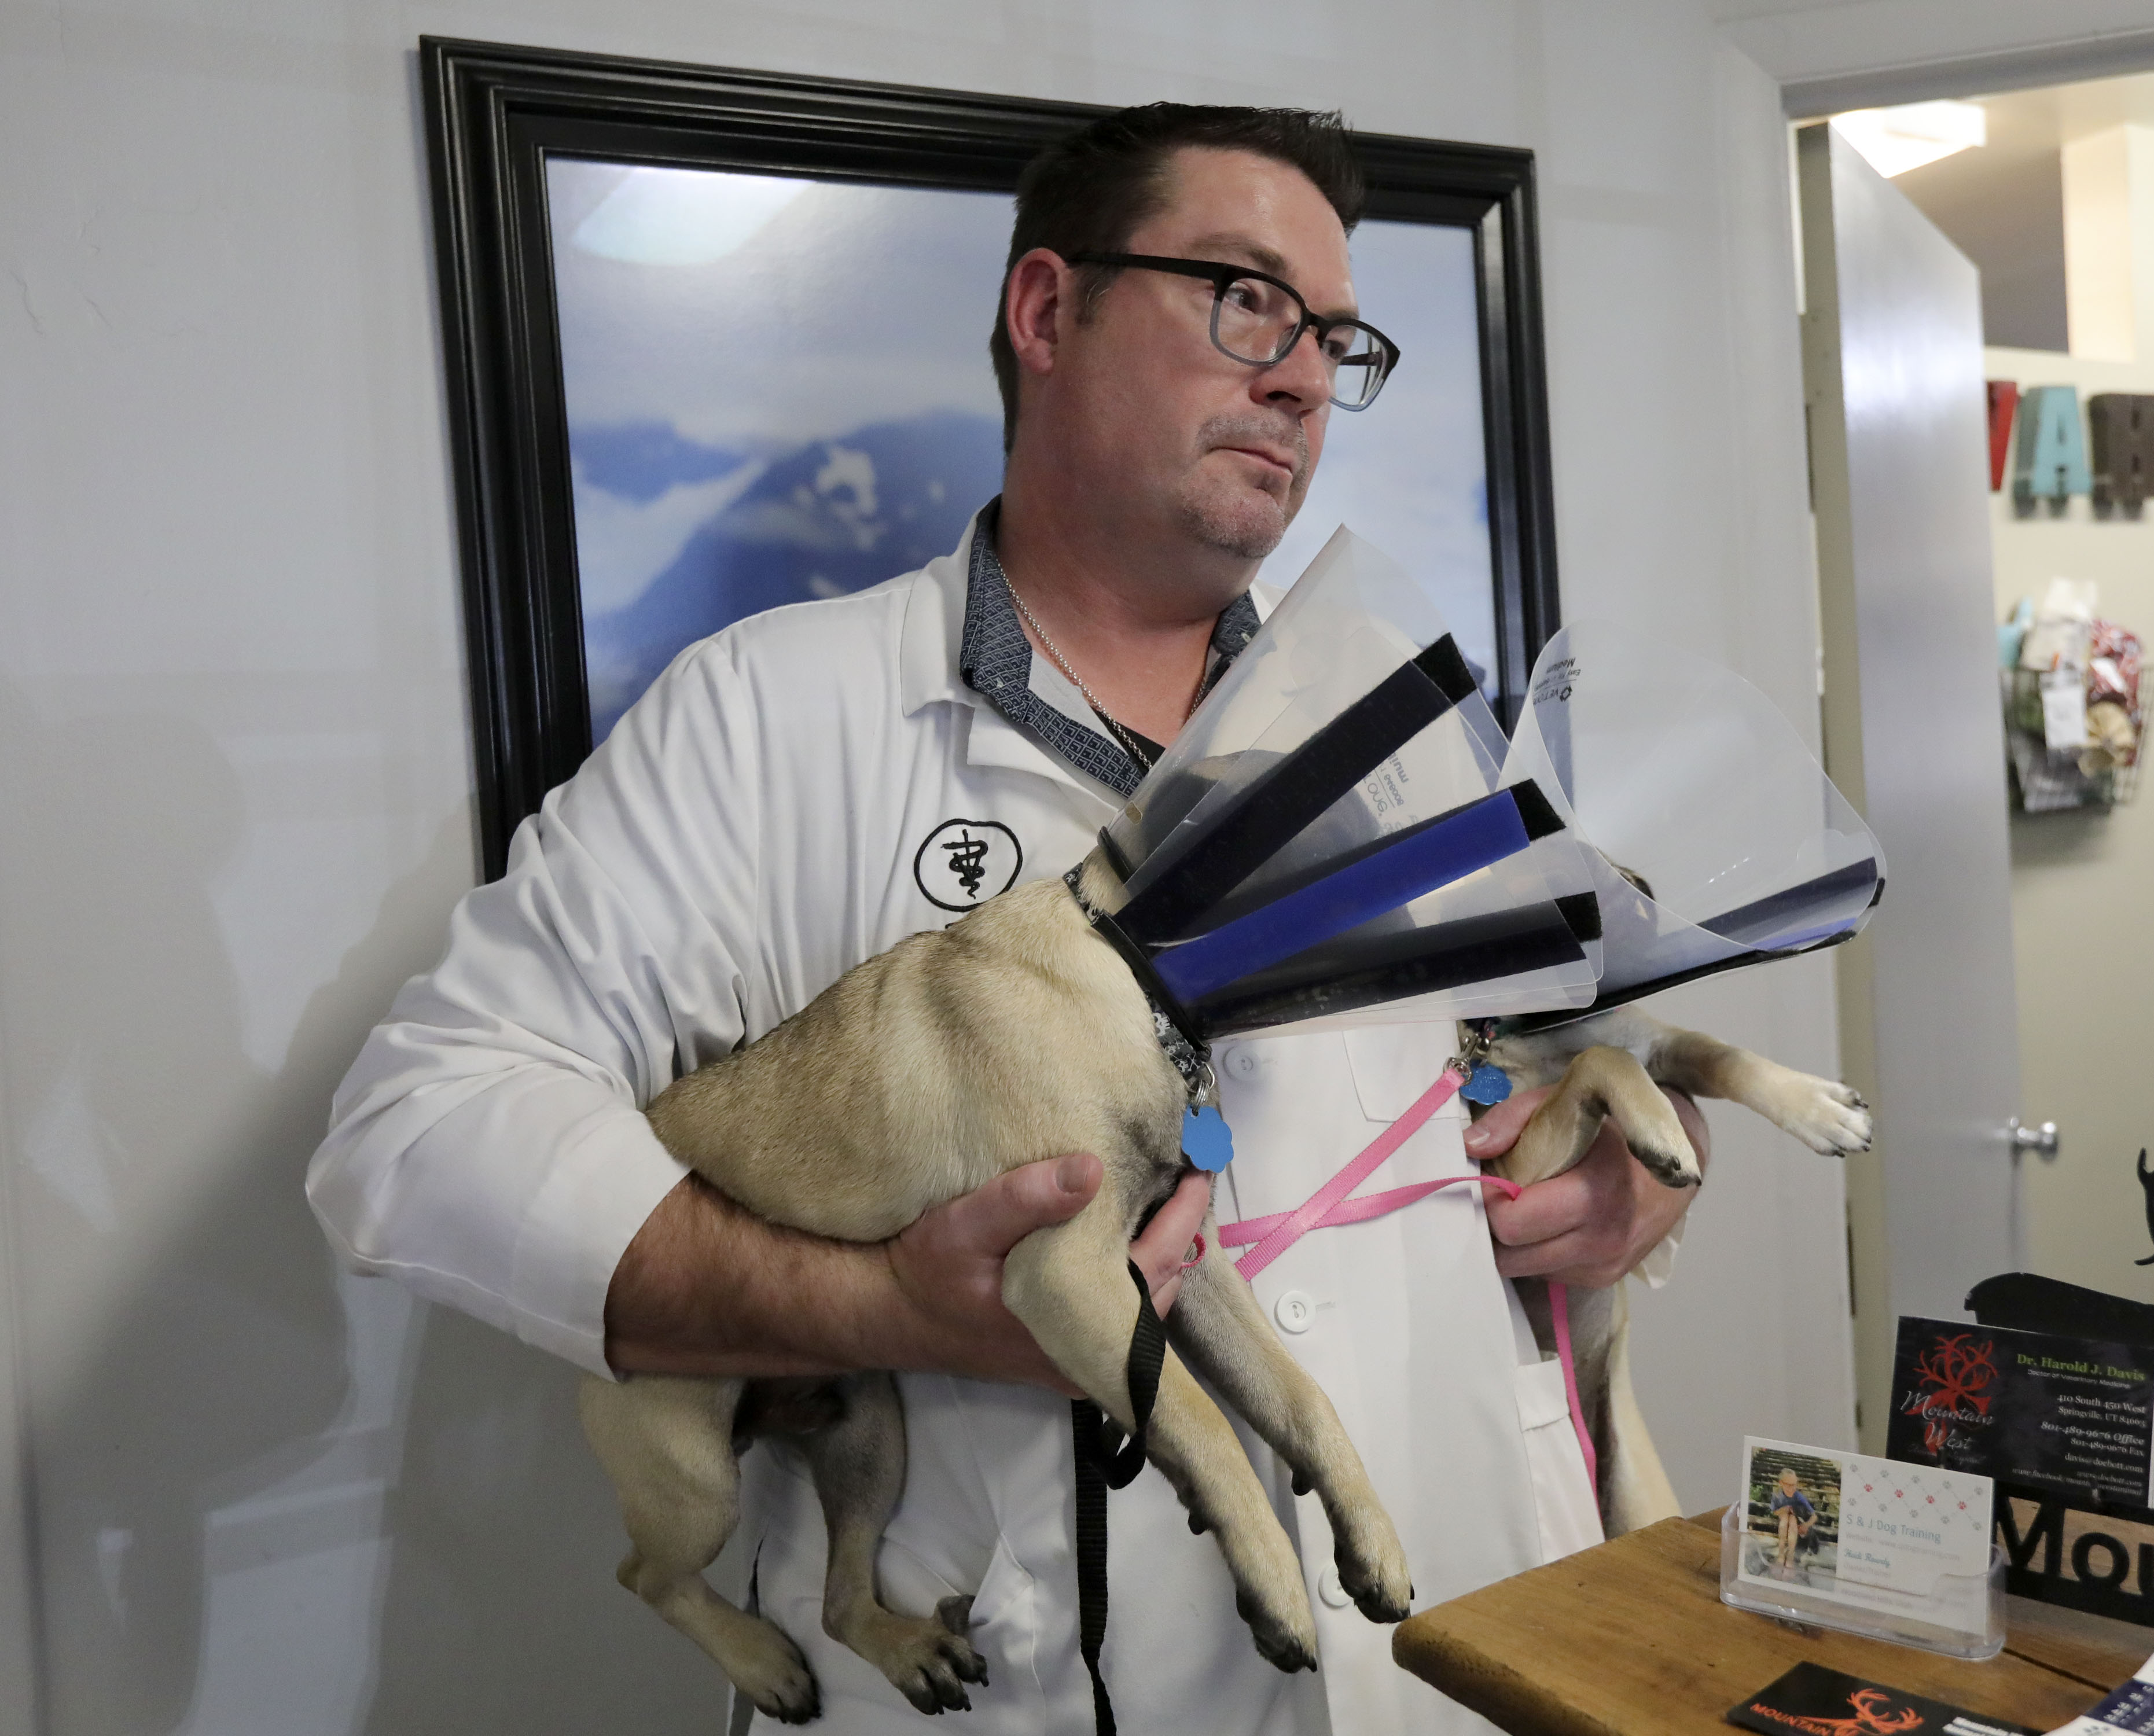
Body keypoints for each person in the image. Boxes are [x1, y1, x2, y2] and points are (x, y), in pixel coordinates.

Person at [309, 102, 1707, 1734]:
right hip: (1031, 1677)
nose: (1302, 379)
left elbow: (1559, 1049)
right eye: (1244, 300)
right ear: (1047, 310)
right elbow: (418, 1130)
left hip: (1459, 1633)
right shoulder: (768, 716)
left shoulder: (1396, 725)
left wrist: (1630, 1187)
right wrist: (868, 1310)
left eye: (1334, 337)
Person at [1769, 1467, 1817, 1576]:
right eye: (1789, 1485)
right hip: (1783, 1518)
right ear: (1781, 1483)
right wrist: (1783, 1510)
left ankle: (1790, 1555)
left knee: (1792, 1520)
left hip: (1796, 1521)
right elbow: (1775, 1512)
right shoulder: (1777, 1495)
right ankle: (1781, 1554)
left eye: (1795, 1485)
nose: (1793, 1488)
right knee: (1785, 1519)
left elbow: (1814, 1516)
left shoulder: (1798, 1496)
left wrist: (1806, 1525)